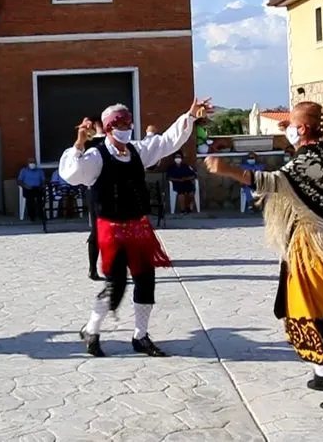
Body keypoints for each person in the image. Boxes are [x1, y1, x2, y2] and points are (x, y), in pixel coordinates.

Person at [204, 101, 323, 413]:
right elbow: (297, 166)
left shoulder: (308, 159)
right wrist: (289, 133)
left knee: (318, 312)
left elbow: (274, 181)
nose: (286, 127)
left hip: (313, 242)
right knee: (298, 305)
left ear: (302, 129)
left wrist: (229, 170)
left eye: (291, 123)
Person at [60, 98, 211, 358]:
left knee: (145, 280)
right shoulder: (96, 155)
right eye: (120, 123)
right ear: (107, 128)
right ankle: (91, 329)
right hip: (112, 227)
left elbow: (166, 142)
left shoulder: (137, 150)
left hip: (138, 226)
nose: (126, 126)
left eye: (128, 121)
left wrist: (189, 116)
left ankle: (140, 336)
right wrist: (79, 143)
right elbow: (72, 174)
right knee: (115, 285)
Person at [83, 121, 107, 281]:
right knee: (98, 231)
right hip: (97, 191)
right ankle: (93, 269)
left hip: (109, 191)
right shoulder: (91, 144)